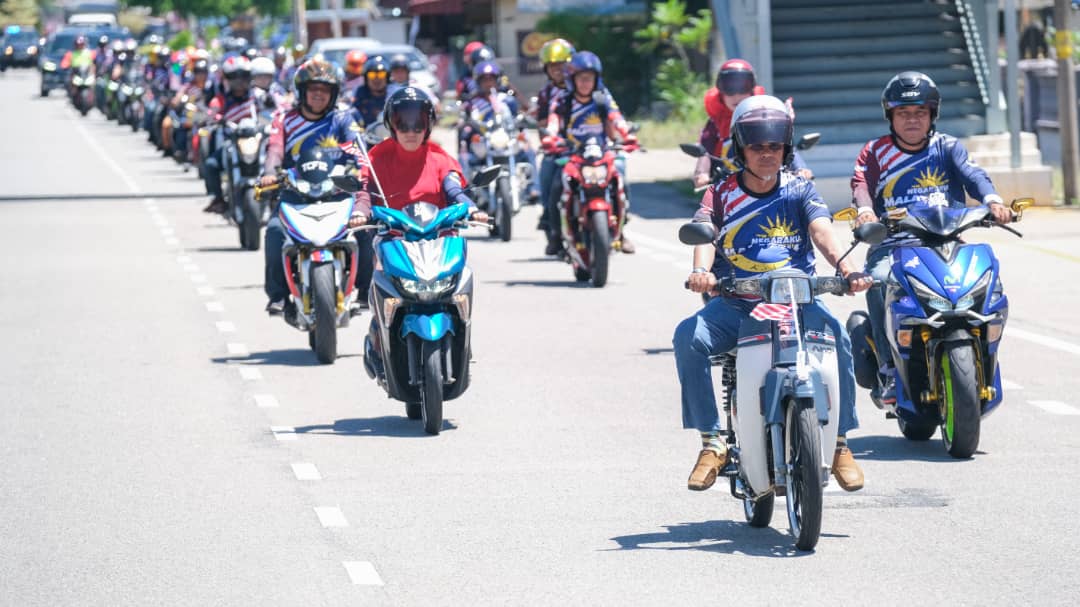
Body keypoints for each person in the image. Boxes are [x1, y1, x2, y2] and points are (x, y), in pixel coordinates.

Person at [673, 95, 872, 493]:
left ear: (786, 148)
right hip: (737, 304)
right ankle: (712, 442)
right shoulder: (720, 193)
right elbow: (706, 234)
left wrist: (847, 269)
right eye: (757, 147)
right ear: (741, 148)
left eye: (774, 146)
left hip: (798, 304)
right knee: (687, 337)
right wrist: (701, 272)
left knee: (839, 337)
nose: (766, 154)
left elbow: (822, 231)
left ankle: (839, 443)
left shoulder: (800, 190)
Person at [851, 71, 1011, 406]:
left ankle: (984, 354)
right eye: (903, 113)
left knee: (985, 277)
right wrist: (865, 212)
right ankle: (889, 370)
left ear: (932, 114)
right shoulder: (876, 152)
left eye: (920, 112)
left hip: (946, 242)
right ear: (890, 116)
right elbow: (861, 185)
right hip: (893, 246)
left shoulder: (948, 147)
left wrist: (993, 201)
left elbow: (974, 175)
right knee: (879, 281)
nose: (912, 120)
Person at [259, 58, 364, 316]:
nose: (318, 94)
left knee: (364, 230)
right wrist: (270, 173)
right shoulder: (284, 120)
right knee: (274, 231)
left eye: (325, 89)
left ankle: (364, 291)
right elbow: (275, 150)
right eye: (313, 89)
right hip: (295, 194)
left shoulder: (343, 119)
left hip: (338, 194)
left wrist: (362, 169)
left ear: (334, 93)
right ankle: (278, 296)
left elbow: (358, 150)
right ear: (301, 92)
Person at [543, 51, 638, 255]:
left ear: (597, 79)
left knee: (621, 180)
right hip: (572, 155)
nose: (586, 83)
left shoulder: (603, 99)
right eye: (581, 78)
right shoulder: (563, 100)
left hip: (602, 154)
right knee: (557, 187)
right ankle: (556, 235)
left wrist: (627, 134)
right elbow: (553, 123)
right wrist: (550, 137)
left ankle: (621, 232)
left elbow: (616, 118)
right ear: (572, 79)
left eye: (590, 78)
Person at [693, 59, 811, 188]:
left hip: (766, 182)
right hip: (725, 186)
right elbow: (705, 150)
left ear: (752, 89)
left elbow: (783, 145)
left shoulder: (765, 117)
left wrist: (800, 168)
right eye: (729, 88)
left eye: (743, 87)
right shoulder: (715, 122)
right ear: (720, 91)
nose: (736, 95)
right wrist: (702, 173)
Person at [457, 60, 539, 201]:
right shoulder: (472, 103)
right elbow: (465, 123)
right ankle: (465, 195)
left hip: (505, 141)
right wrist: (467, 124)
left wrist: (522, 122)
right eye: (485, 80)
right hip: (484, 143)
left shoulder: (507, 100)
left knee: (528, 151)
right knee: (464, 158)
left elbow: (517, 118)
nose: (488, 83)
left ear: (498, 80)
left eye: (491, 79)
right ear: (478, 82)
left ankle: (534, 188)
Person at [202, 56, 258, 213]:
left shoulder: (257, 97)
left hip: (256, 142)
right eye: (234, 77)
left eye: (243, 77)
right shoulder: (220, 100)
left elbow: (276, 108)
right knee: (211, 164)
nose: (239, 82)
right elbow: (210, 115)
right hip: (231, 144)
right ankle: (218, 199)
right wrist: (213, 118)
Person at [534, 38, 575, 234]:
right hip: (560, 148)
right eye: (552, 66)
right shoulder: (547, 93)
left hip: (589, 145)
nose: (558, 70)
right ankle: (549, 216)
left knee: (618, 168)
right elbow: (543, 122)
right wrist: (549, 139)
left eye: (562, 65)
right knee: (547, 172)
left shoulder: (587, 86)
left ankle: (620, 227)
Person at [351, 55, 389, 128]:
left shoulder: (394, 94)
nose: (377, 78)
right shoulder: (359, 93)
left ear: (387, 77)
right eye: (372, 74)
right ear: (366, 77)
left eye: (381, 74)